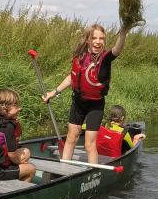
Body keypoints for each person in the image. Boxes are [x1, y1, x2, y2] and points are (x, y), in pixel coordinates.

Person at [43, 24, 133, 164]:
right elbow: (72, 77)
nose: (98, 41)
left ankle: (93, 173)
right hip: (78, 102)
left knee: (89, 145)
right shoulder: (80, 56)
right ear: (87, 40)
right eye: (94, 38)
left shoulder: (105, 58)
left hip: (95, 105)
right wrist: (54, 92)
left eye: (101, 38)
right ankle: (64, 169)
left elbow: (117, 50)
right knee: (71, 138)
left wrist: (123, 33)